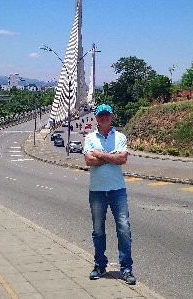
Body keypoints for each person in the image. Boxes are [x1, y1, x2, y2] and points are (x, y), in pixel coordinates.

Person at [83, 104, 136, 286]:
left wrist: (99, 154)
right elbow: (89, 161)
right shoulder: (89, 137)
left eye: (107, 115)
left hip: (117, 190)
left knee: (124, 229)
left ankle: (126, 269)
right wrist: (110, 156)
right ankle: (99, 265)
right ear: (96, 118)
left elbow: (122, 159)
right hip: (97, 191)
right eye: (101, 115)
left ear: (112, 117)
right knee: (98, 230)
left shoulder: (119, 136)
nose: (104, 117)